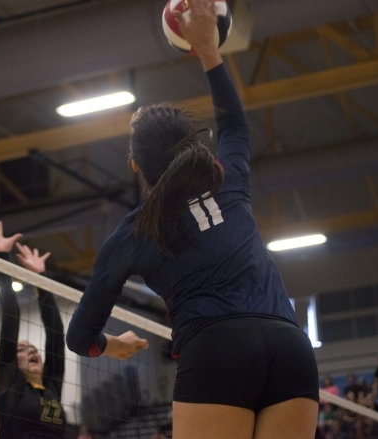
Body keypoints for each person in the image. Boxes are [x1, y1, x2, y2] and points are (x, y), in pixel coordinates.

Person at [65, 1, 319, 438]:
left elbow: (79, 337)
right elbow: (236, 125)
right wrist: (208, 49)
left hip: (216, 351)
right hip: (290, 347)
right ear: (187, 145)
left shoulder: (133, 232)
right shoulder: (227, 176)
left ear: (134, 166)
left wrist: (111, 344)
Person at [0, 221, 66, 439]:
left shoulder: (51, 386)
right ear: (12, 361)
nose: (33, 351)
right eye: (22, 350)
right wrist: (2, 257)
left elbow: (55, 333)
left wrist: (39, 279)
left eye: (33, 348)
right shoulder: (10, 388)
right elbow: (11, 317)